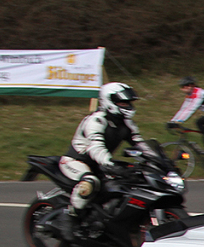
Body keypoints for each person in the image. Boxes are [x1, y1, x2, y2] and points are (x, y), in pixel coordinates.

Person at [57, 81, 147, 236]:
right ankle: (69, 217)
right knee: (90, 182)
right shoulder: (96, 120)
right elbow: (96, 147)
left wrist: (159, 160)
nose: (127, 105)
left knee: (128, 181)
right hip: (76, 161)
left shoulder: (127, 123)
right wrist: (110, 163)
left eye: (128, 102)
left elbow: (140, 144)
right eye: (122, 102)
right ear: (109, 101)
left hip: (100, 164)